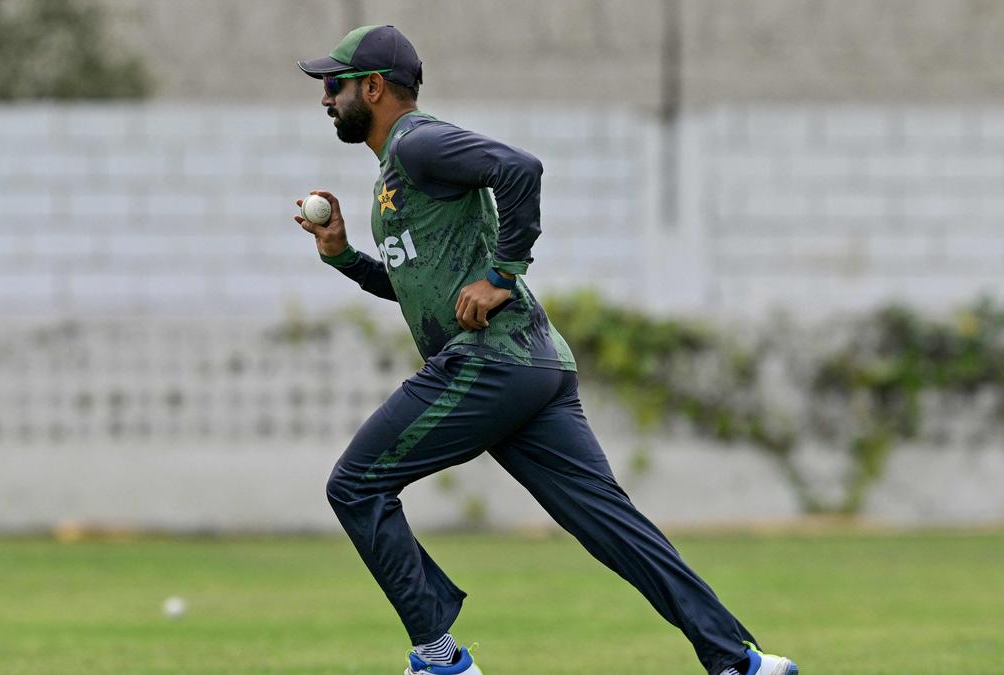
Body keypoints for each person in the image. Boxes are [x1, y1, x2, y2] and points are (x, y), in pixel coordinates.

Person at [294, 24, 799, 675]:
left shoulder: (417, 143)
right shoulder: (397, 172)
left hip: (489, 360)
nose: (325, 98)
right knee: (612, 525)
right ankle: (740, 662)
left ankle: (441, 658)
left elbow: (519, 168)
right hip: (534, 366)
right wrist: (342, 258)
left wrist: (503, 272)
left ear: (373, 87)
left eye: (334, 85)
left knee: (356, 484)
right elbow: (427, 290)